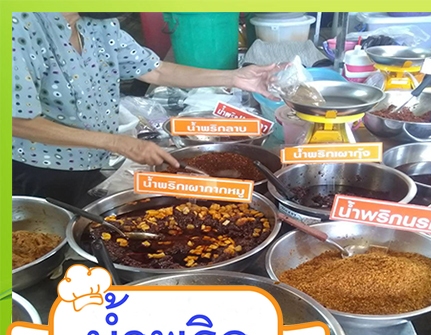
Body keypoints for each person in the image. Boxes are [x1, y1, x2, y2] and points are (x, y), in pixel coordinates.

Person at [12, 12, 278, 206]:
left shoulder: (97, 23)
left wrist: (234, 77)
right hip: (41, 169)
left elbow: (155, 70)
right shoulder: (18, 26)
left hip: (93, 161)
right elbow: (16, 121)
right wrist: (116, 142)